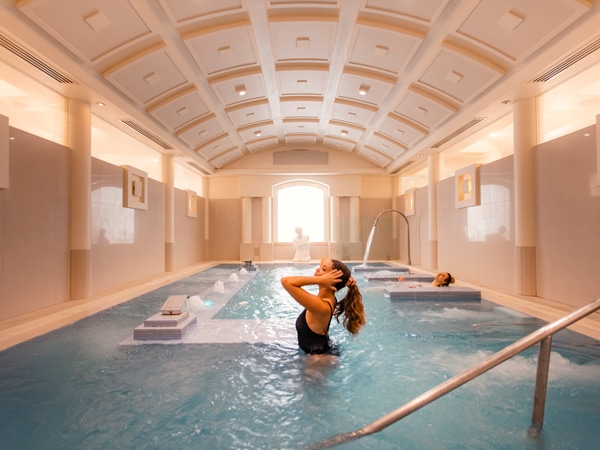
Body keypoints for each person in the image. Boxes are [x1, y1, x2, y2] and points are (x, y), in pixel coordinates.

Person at [281, 257, 366, 355]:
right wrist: (344, 276)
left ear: (332, 280)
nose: (317, 269)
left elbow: (286, 281)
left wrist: (320, 280)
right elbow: (325, 259)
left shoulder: (322, 306)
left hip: (317, 359)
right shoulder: (328, 297)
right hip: (321, 347)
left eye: (323, 269)